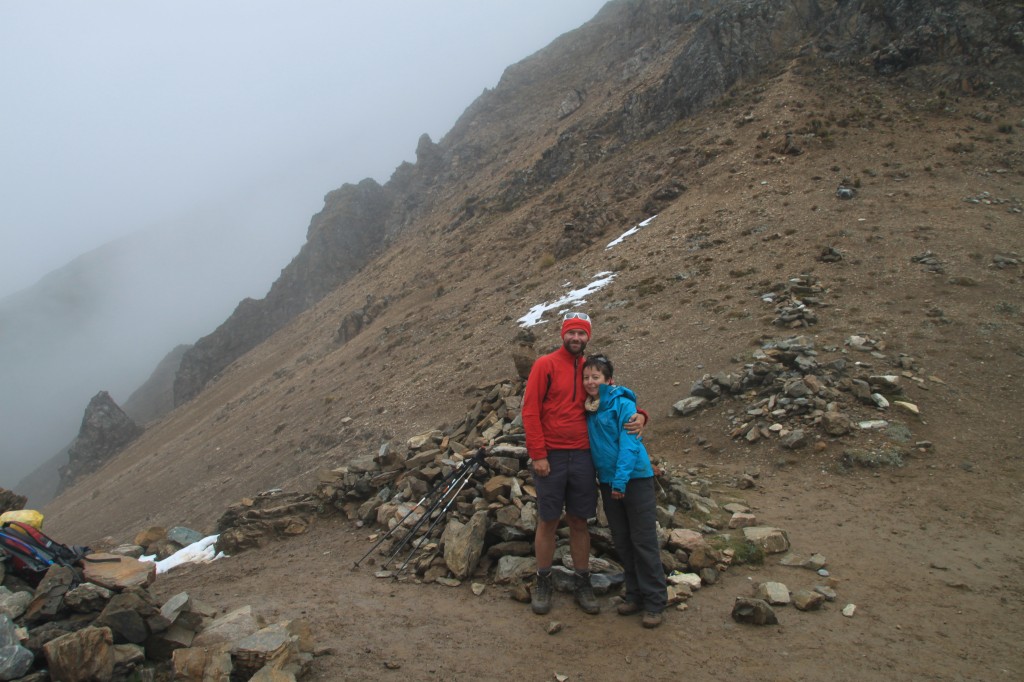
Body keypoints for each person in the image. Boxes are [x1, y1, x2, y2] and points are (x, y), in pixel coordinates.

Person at [521, 312, 646, 616]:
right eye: (571, 333)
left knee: (579, 521)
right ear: (562, 335)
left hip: (584, 456)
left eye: (581, 334)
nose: (576, 338)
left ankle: (582, 581)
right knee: (548, 520)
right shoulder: (545, 365)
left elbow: (615, 395)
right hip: (551, 455)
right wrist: (538, 454)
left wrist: (641, 414)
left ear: (588, 337)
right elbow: (530, 410)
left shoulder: (591, 369)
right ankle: (544, 580)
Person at [582, 353, 667, 628]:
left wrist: (619, 482)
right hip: (608, 483)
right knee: (622, 540)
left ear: (609, 380)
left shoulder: (622, 402)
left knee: (643, 540)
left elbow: (629, 445)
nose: (590, 381)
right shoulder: (590, 407)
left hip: (634, 479)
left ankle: (655, 602)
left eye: (596, 377)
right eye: (586, 377)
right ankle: (635, 595)